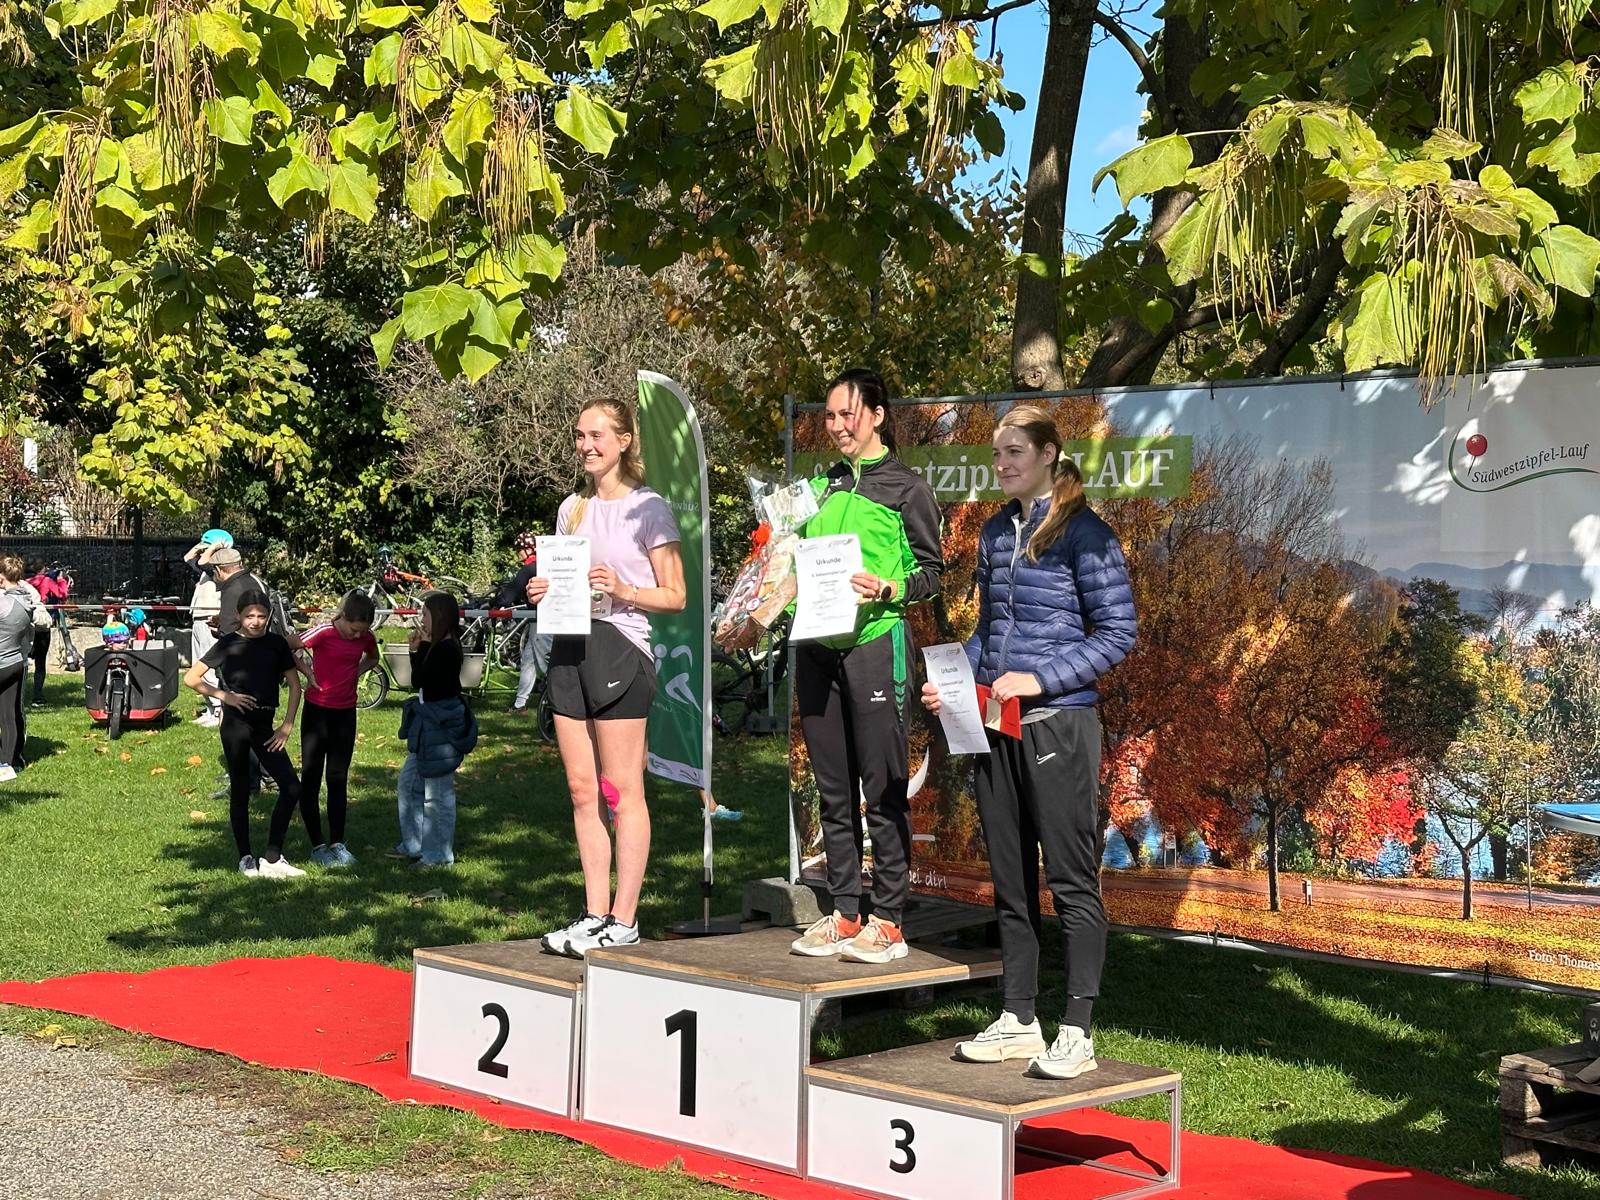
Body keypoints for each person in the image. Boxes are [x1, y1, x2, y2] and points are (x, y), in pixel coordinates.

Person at [921, 405, 1135, 1079]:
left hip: (1059, 725)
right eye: (997, 454)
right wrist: (957, 678)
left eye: (1014, 451)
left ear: (1048, 454)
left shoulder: (1086, 534)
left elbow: (1118, 634)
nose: (1002, 464)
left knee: (1071, 882)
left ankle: (1077, 1030)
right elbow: (990, 630)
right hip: (996, 725)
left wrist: (1040, 679)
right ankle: (1019, 1019)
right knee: (1009, 880)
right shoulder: (995, 531)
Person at [788, 369, 943, 965]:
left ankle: (890, 921)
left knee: (882, 788)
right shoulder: (817, 488)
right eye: (829, 416)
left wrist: (888, 587)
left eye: (847, 414)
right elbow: (787, 559)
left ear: (877, 415)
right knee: (832, 787)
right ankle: (846, 910)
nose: (836, 425)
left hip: (876, 643)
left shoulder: (907, 488)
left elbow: (932, 574)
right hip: (816, 647)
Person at [528, 397, 686, 958]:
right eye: (580, 436)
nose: (586, 446)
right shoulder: (571, 509)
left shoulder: (649, 508)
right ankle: (593, 914)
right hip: (570, 647)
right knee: (581, 788)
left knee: (621, 791)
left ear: (624, 441)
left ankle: (624, 919)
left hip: (622, 650)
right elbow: (564, 585)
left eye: (597, 436)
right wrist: (543, 590)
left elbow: (676, 595)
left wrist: (623, 589)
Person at [183, 589, 310, 878]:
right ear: (238, 616)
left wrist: (287, 726)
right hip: (236, 724)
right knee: (241, 789)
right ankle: (245, 858)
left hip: (265, 724)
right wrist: (225, 696)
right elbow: (191, 677)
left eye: (261, 616)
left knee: (292, 787)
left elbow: (295, 686)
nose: (255, 621)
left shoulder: (276, 644)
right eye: (249, 616)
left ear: (269, 616)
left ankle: (273, 858)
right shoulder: (227, 643)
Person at [293, 591, 379, 868]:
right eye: (354, 630)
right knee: (311, 775)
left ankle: (338, 843)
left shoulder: (365, 637)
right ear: (344, 617)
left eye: (362, 631)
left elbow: (373, 658)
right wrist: (307, 671)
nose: (358, 636)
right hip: (317, 711)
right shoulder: (324, 632)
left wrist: (355, 672)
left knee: (338, 777)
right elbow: (287, 645)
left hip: (345, 713)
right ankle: (317, 845)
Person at [390, 591, 476, 867]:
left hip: (440, 725)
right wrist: (418, 650)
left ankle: (438, 854)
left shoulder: (447, 649)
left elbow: (423, 680)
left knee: (437, 794)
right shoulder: (437, 646)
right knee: (409, 784)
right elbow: (420, 680)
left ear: (438, 616)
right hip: (427, 723)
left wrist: (422, 648)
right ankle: (414, 843)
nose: (422, 619)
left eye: (425, 614)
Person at [497, 531, 551, 715]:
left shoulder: (530, 568)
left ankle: (557, 702)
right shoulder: (547, 565)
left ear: (529, 549)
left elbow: (510, 594)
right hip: (546, 618)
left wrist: (495, 602)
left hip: (541, 620)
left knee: (545, 663)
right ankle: (520, 705)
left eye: (519, 550)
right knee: (529, 661)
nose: (518, 554)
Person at [185, 531, 231, 727]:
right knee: (197, 665)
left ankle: (218, 708)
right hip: (197, 619)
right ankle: (210, 708)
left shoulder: (217, 570)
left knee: (207, 667)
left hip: (208, 620)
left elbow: (203, 562)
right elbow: (188, 558)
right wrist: (202, 544)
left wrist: (215, 546)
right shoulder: (206, 571)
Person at [0, 557, 35, 783]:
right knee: (9, 715)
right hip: (16, 662)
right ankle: (7, 764)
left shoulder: (3, 602)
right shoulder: (27, 600)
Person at [19, 560, 53, 709]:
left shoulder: (26, 584)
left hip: (25, 628)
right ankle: (37, 696)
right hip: (39, 628)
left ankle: (17, 696)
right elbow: (60, 593)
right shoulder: (43, 581)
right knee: (40, 664)